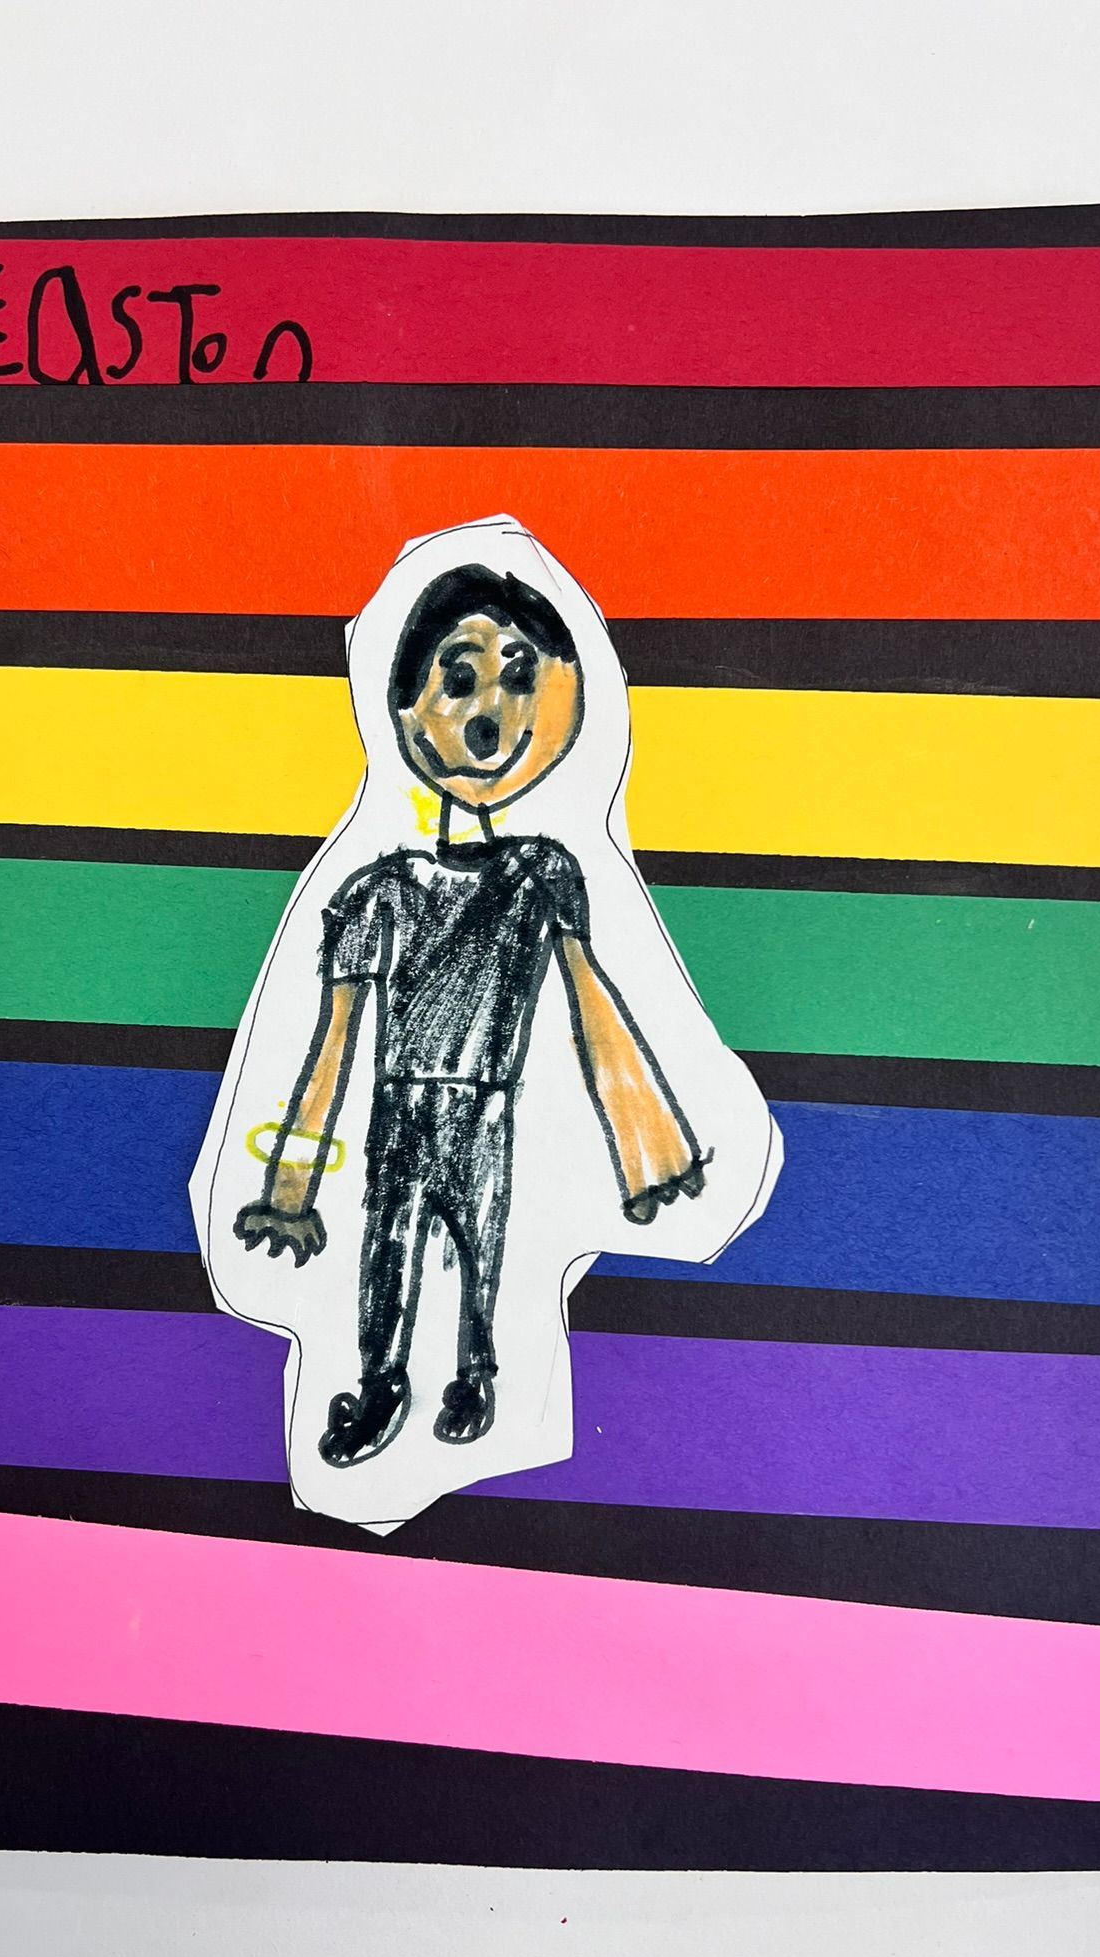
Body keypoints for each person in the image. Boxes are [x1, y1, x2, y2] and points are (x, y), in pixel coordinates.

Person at [191, 516, 778, 1533]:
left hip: (490, 1109)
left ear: (561, 704)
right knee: (387, 1252)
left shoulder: (544, 876)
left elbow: (597, 1015)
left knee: (481, 1249)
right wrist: (290, 1188)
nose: (488, 715)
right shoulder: (377, 892)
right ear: (408, 707)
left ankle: (474, 1373)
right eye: (458, 681)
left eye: (517, 682)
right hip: (399, 1109)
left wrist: (652, 1150)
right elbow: (332, 1046)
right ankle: (381, 1381)